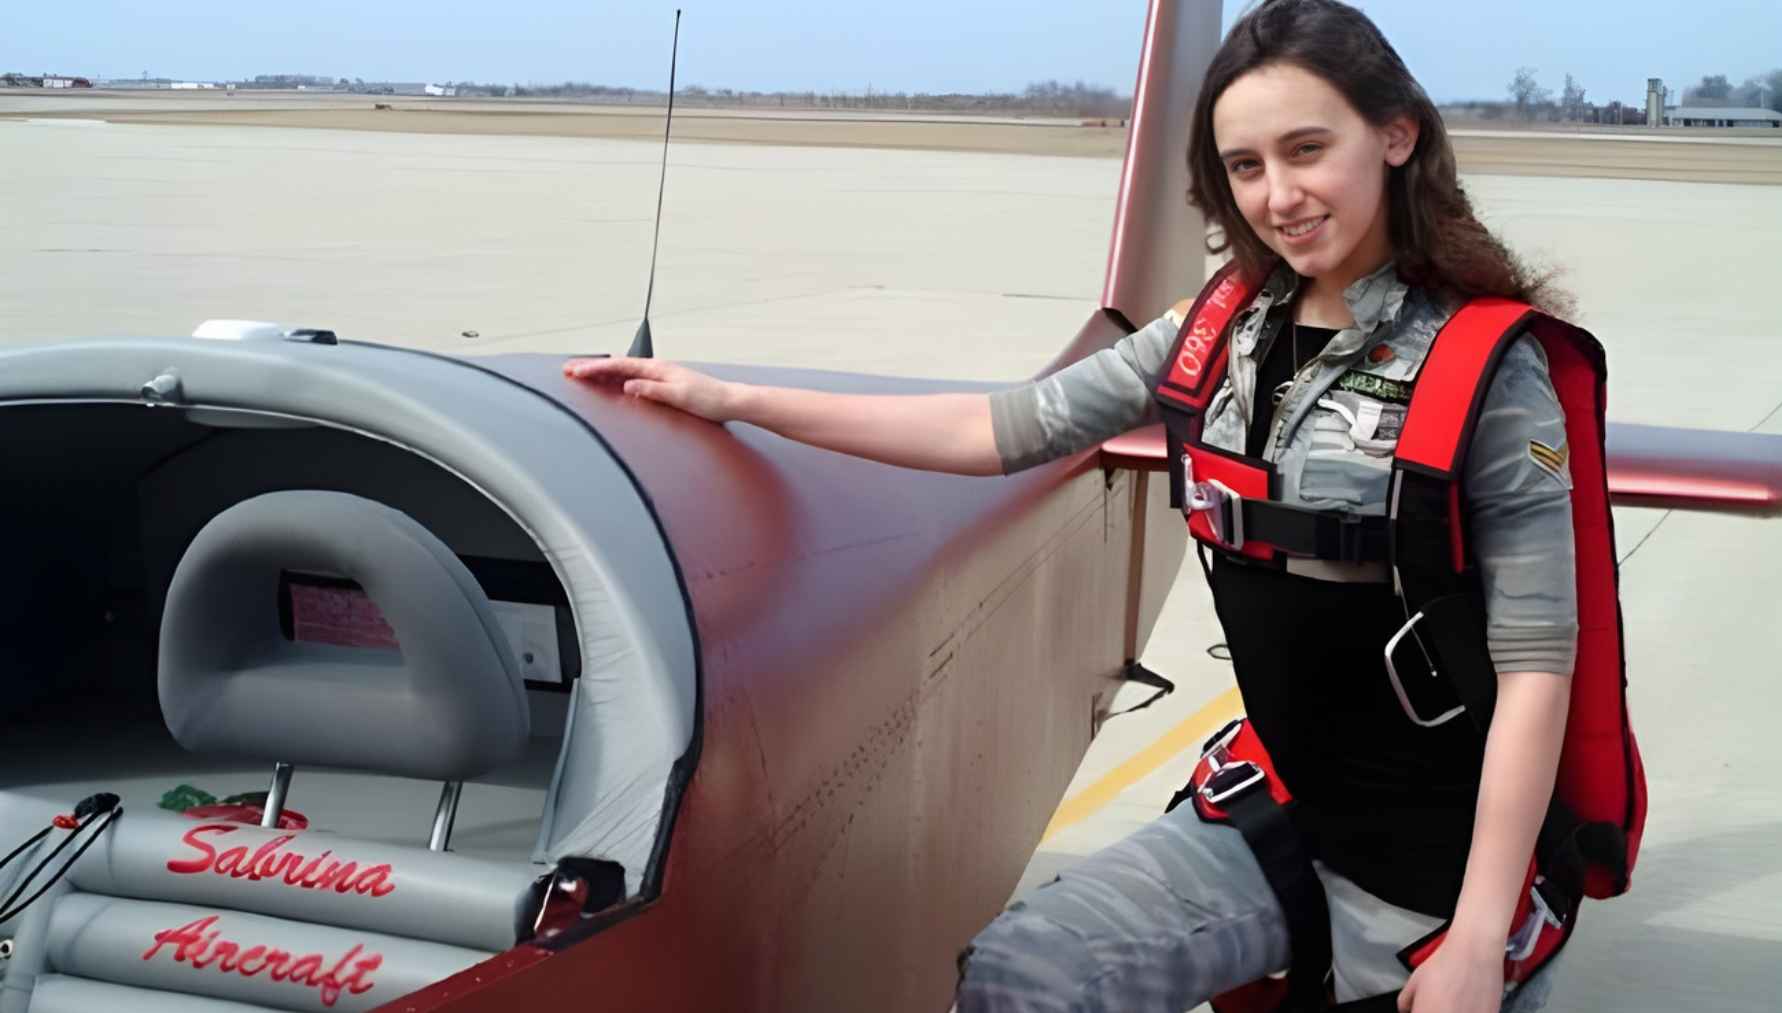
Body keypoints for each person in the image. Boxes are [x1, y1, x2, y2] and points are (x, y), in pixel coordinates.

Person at [564, 3, 1600, 1010]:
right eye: (1246, 166)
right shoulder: (1219, 329)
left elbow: (1536, 668)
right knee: (1026, 972)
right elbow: (1003, 429)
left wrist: (1475, 935)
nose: (1279, 194)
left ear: (1395, 133)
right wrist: (734, 400)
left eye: (1307, 149)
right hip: (1286, 798)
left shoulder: (1487, 370)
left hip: (1439, 850)